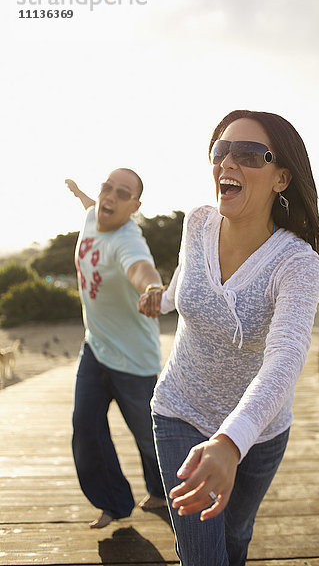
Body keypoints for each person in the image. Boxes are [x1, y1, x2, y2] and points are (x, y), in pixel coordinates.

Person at [139, 110, 319, 565]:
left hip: (259, 435)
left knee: (236, 537)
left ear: (281, 178)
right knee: (202, 555)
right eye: (221, 151)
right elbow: (187, 281)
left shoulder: (297, 264)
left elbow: (284, 361)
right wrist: (162, 299)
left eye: (249, 154)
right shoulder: (197, 223)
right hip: (179, 411)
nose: (228, 163)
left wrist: (231, 443)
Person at [65, 169, 166, 529]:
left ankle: (163, 491)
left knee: (148, 437)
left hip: (134, 361)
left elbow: (141, 269)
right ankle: (112, 502)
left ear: (135, 206)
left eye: (122, 194)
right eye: (107, 188)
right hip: (95, 347)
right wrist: (79, 192)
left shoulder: (129, 241)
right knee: (85, 426)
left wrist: (152, 288)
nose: (110, 197)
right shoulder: (94, 213)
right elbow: (92, 204)